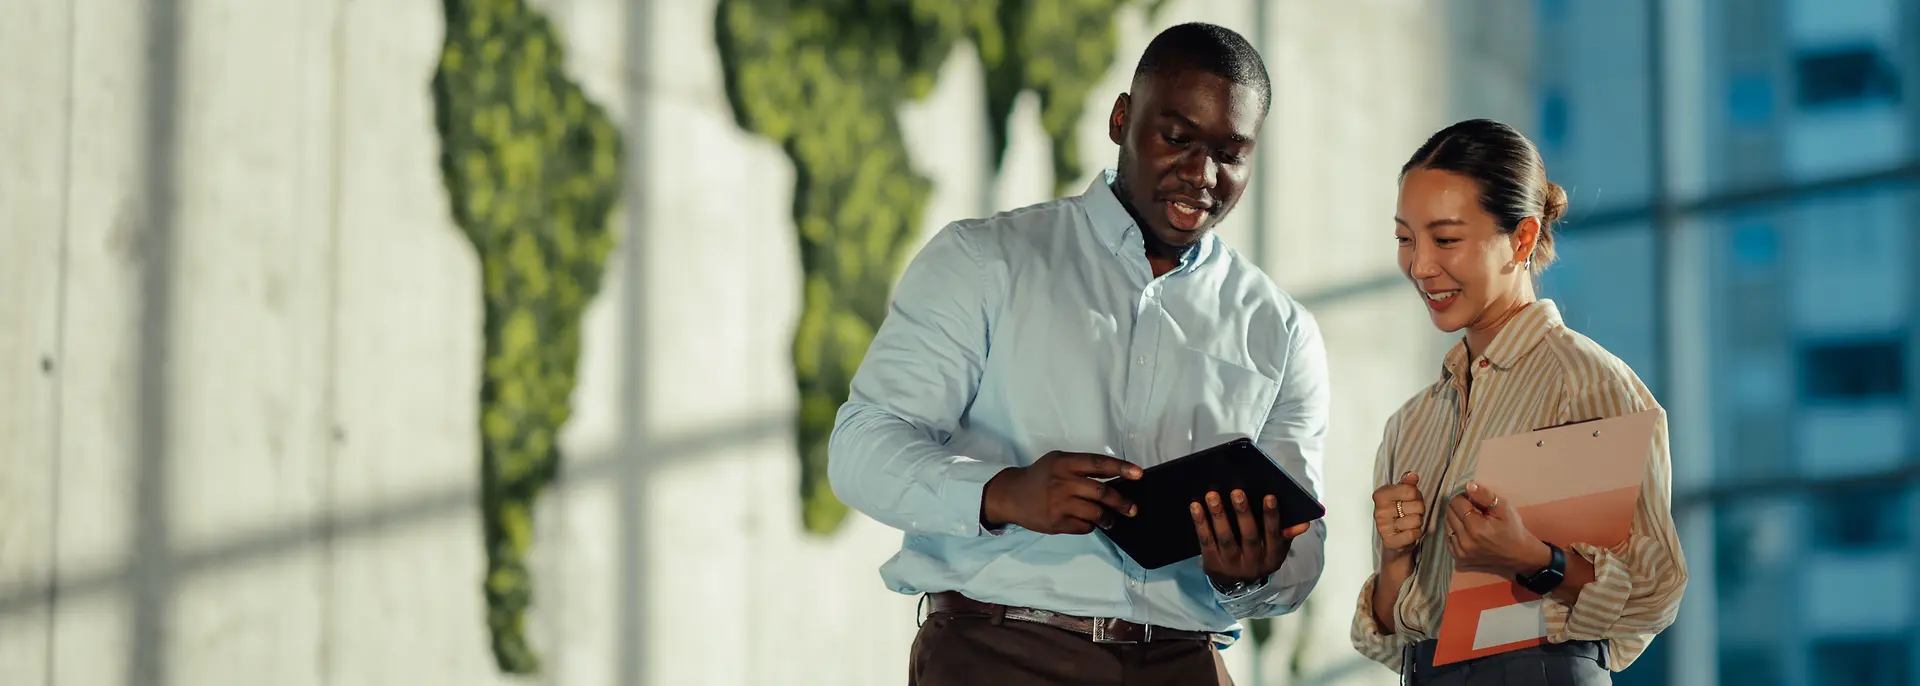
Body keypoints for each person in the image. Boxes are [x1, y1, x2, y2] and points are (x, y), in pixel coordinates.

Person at [828, 22, 1328, 686]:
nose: (1203, 175)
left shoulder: (1281, 328)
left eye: (1230, 152)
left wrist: (1254, 571)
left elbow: (1302, 551)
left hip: (1188, 662)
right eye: (1177, 138)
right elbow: (860, 448)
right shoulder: (985, 260)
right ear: (1123, 119)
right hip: (999, 653)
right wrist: (1003, 493)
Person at [1349, 119, 1689, 684]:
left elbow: (1657, 594)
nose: (1421, 266)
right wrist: (1394, 560)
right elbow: (1392, 637)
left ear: (1524, 240)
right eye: (1406, 239)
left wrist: (1535, 559)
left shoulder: (1588, 384)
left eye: (1447, 239)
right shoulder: (1410, 424)